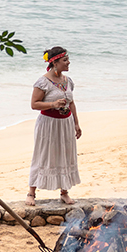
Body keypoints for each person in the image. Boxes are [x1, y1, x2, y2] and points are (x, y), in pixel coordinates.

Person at [27, 46, 81, 206]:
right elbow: (34, 104)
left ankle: (64, 192)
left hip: (66, 123)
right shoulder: (43, 82)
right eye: (65, 60)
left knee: (65, 154)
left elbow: (72, 103)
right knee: (42, 154)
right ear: (54, 63)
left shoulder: (68, 81)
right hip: (48, 124)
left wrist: (77, 124)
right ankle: (31, 192)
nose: (68, 62)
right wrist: (53, 103)